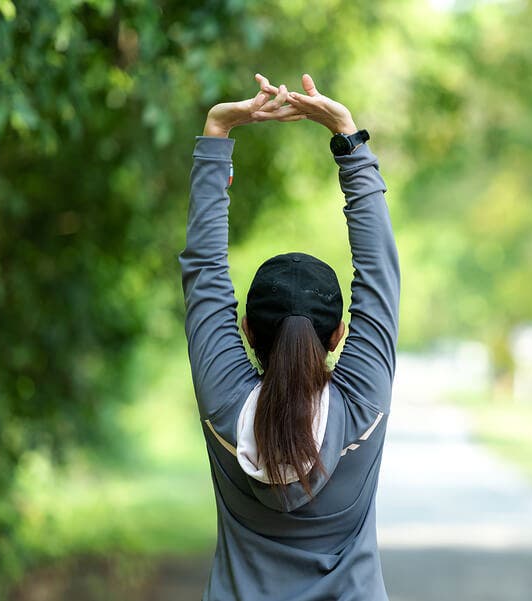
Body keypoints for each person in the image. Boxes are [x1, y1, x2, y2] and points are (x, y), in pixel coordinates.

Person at [179, 72, 400, 601]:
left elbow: (204, 270)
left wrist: (217, 132)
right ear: (339, 334)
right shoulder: (360, 406)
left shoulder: (226, 403)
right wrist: (348, 140)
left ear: (247, 330)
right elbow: (380, 276)